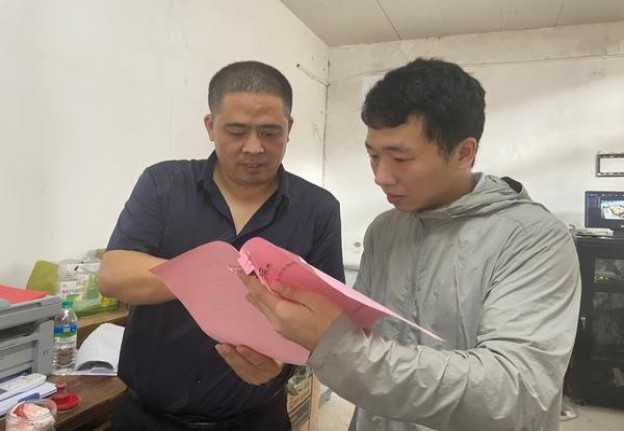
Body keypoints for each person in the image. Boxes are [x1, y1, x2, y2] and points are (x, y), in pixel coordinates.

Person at [241, 58, 581, 431]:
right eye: (373, 155)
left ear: (463, 153)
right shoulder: (385, 230)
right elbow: (362, 332)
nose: (381, 176)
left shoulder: (533, 239)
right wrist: (289, 352)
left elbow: (515, 392)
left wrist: (335, 346)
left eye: (401, 158)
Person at [98, 60, 345, 431]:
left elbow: (328, 317)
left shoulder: (317, 209)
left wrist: (279, 363)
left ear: (289, 128)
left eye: (270, 132)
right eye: (236, 131)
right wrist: (212, 273)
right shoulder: (163, 184)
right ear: (210, 126)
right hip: (147, 419)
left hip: (256, 419)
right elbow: (113, 275)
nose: (254, 147)